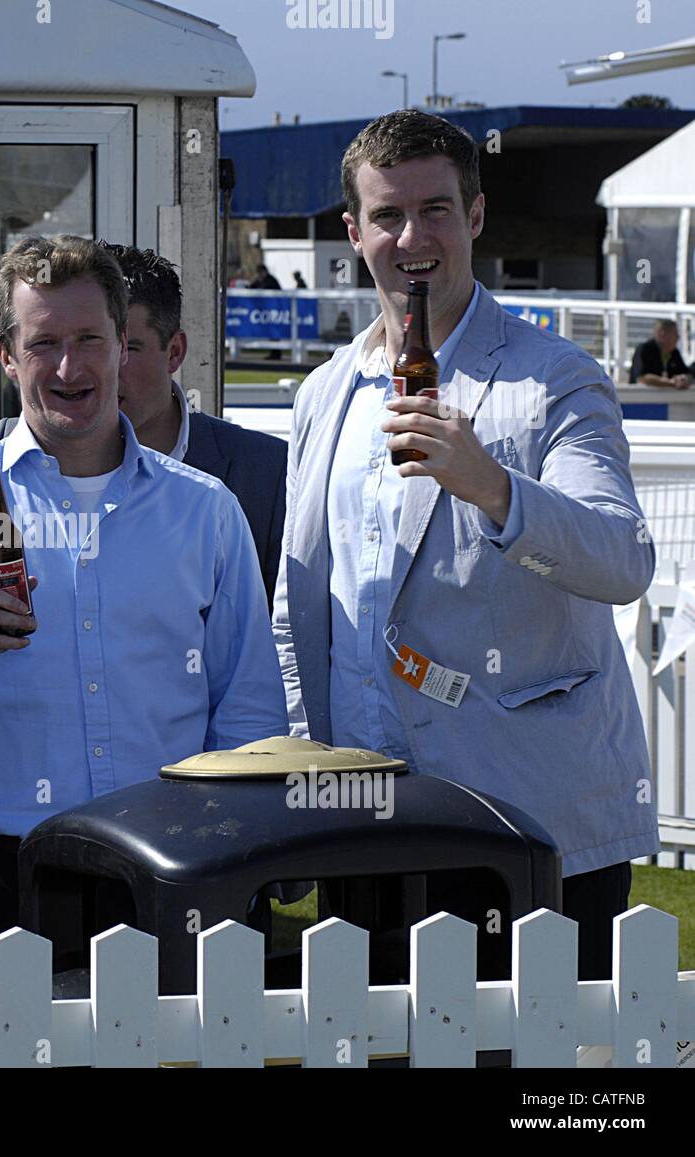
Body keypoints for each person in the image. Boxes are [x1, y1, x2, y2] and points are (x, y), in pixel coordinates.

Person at [0, 235, 288, 1003]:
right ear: (7, 356)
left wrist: (225, 861)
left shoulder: (204, 510)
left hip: (167, 872)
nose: (71, 369)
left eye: (89, 340)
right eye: (44, 342)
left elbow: (247, 714)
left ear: (126, 346)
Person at [272, 110, 658, 981]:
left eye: (437, 210)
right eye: (388, 215)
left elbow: (623, 560)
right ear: (352, 232)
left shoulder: (555, 377)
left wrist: (494, 487)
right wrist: (304, 781)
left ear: (476, 217)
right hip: (363, 817)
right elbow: (300, 608)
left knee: (542, 1090)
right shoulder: (324, 393)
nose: (413, 237)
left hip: (525, 822)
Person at [0, 243, 288, 609]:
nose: (99, 367)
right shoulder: (1, 466)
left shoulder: (265, 473)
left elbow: (283, 639)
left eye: (123, 347)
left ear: (175, 352)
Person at [629, 319, 690, 389]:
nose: (678, 337)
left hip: (666, 398)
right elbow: (642, 378)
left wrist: (684, 379)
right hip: (641, 397)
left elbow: (685, 373)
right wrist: (672, 383)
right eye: (675, 333)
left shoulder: (674, 353)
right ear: (662, 334)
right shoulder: (645, 349)